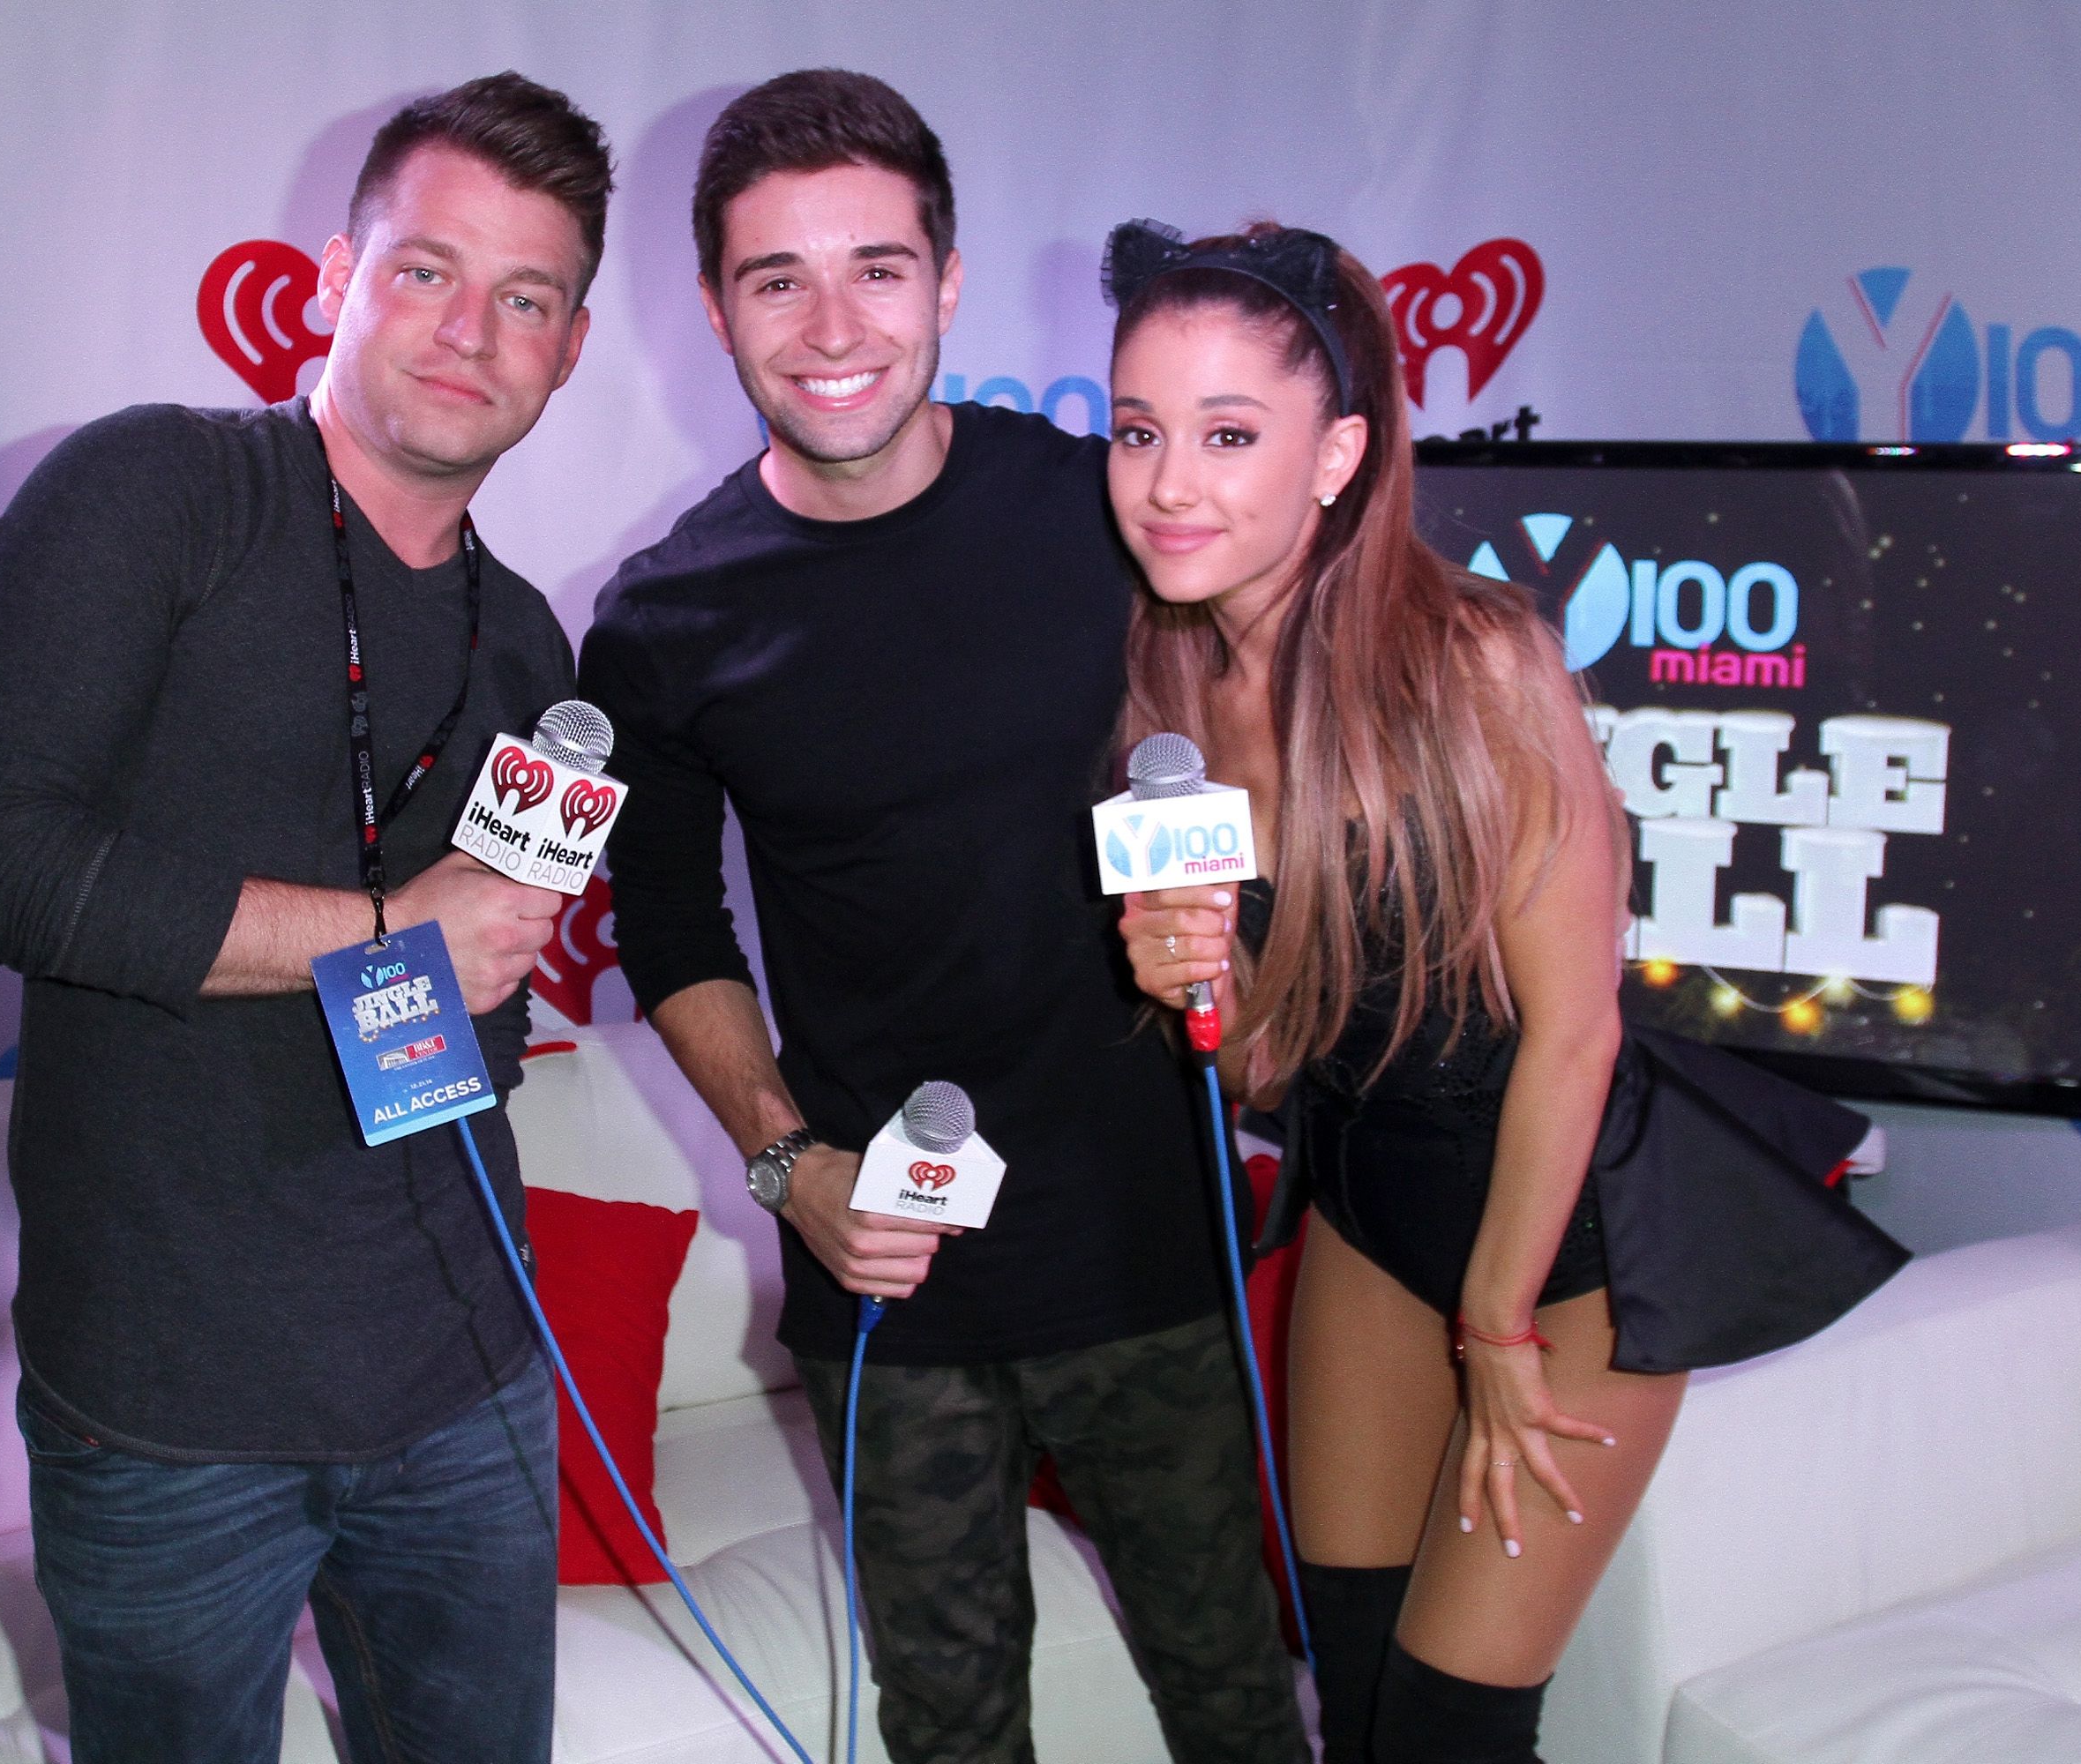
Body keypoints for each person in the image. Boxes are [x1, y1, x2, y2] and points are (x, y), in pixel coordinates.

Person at [1102, 220, 1907, 1763]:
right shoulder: (1171, 684)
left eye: (1228, 434)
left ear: (1339, 454)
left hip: (1566, 1257)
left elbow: (1577, 1032)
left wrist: (1495, 1329)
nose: (1168, 484)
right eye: (1138, 431)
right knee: (1355, 1699)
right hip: (1367, 1212)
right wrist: (1184, 983)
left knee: (1445, 1738)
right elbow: (1270, 1063)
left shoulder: (1476, 663)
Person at [579, 71, 1307, 1764]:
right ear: (715, 309)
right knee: (952, 1737)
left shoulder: (1111, 512)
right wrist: (788, 1166)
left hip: (1152, 1255)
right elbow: (671, 930)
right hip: (892, 1281)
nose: (834, 327)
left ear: (951, 282)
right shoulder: (664, 619)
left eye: (879, 269)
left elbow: (1285, 739)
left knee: (1242, 1714)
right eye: (779, 279)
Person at [0, 74, 610, 1764]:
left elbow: (476, 1013)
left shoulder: (527, 643)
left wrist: (463, 975)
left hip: (471, 1382)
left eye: (526, 299)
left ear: (571, 350)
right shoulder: (161, 490)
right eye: (427, 270)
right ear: (335, 279)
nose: (470, 331)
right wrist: (384, 930)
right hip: (170, 1415)